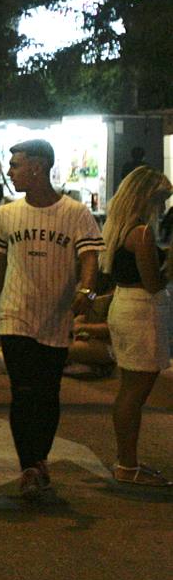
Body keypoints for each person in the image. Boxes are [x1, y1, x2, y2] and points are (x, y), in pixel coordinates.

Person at [0, 139, 103, 500]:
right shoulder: (7, 213)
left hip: (55, 317)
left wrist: (87, 291)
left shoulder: (75, 213)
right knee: (23, 391)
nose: (11, 171)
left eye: (16, 164)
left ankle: (40, 457)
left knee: (48, 393)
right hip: (16, 315)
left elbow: (90, 257)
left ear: (38, 166)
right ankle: (30, 465)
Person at [99, 166, 172, 486]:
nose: (162, 205)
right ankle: (127, 464)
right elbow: (154, 283)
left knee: (129, 389)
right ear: (146, 196)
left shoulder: (119, 228)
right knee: (135, 392)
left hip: (125, 306)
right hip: (141, 309)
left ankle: (126, 461)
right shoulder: (140, 233)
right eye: (160, 197)